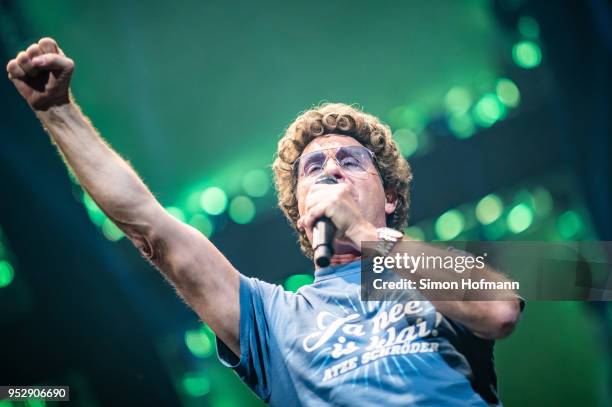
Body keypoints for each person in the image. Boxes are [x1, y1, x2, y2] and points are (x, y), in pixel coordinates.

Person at [7, 38, 523, 406]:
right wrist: (59, 112)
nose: (331, 169)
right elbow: (151, 228)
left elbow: (500, 310)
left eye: (350, 160)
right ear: (300, 215)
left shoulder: (435, 273)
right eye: (313, 168)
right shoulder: (272, 318)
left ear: (389, 198)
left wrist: (365, 237)